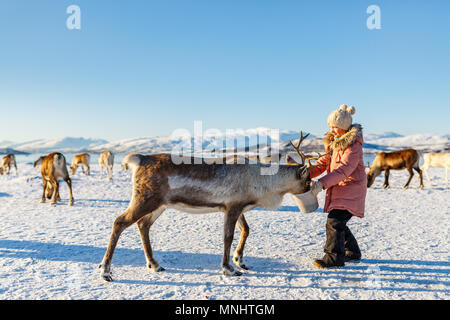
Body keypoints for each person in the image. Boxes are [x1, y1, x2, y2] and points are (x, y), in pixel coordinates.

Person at [309, 104, 367, 269]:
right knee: (339, 222)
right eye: (330, 126)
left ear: (344, 126)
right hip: (340, 187)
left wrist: (321, 183)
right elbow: (323, 163)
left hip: (352, 188)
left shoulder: (353, 146)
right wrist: (307, 173)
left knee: (335, 222)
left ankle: (334, 258)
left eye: (335, 127)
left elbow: (344, 170)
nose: (332, 130)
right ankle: (353, 252)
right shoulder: (333, 143)